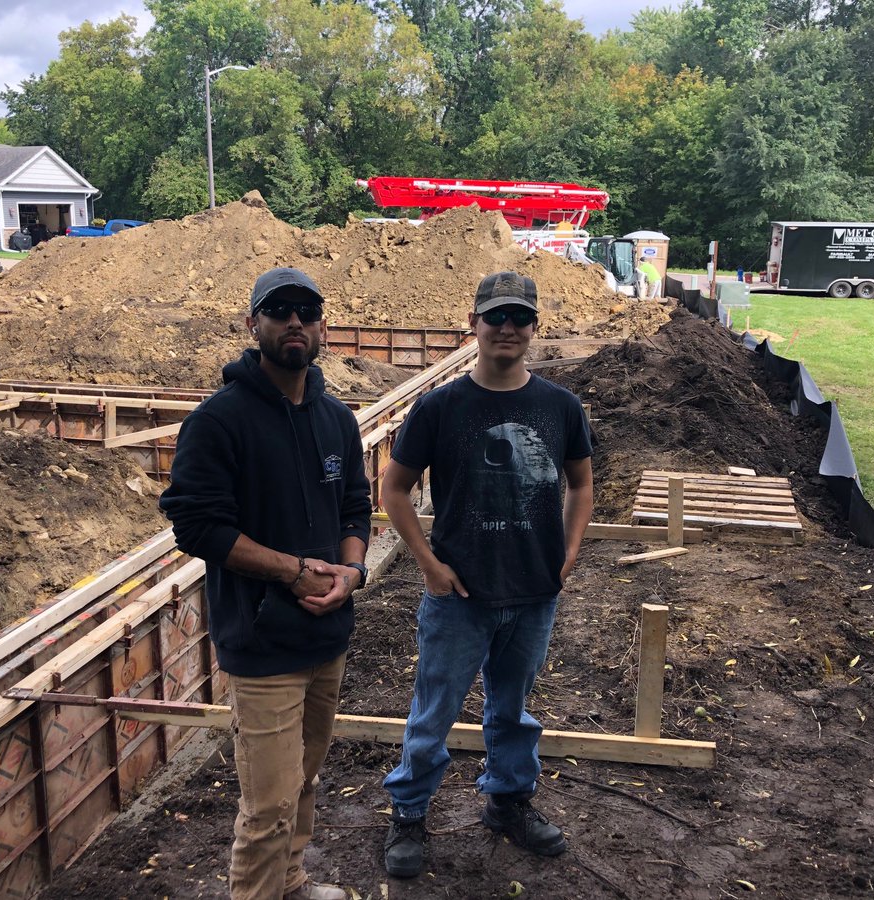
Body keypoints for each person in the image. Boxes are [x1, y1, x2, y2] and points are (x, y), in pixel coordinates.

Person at [160, 267, 372, 900]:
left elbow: (356, 508)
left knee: (304, 780)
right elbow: (197, 526)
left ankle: (291, 881)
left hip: (326, 634)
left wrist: (353, 571)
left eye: (307, 311)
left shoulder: (337, 419)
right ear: (253, 325)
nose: (295, 323)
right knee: (268, 801)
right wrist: (295, 571)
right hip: (261, 643)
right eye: (279, 312)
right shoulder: (220, 420)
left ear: (324, 326)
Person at [378, 272, 594, 878]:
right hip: (460, 595)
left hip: (532, 593)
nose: (507, 328)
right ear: (473, 323)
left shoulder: (559, 406)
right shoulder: (441, 406)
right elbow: (394, 490)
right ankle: (410, 814)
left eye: (519, 318)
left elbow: (581, 482)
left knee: (514, 709)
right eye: (496, 316)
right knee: (434, 710)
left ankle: (507, 802)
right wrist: (428, 563)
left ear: (533, 328)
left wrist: (569, 550)